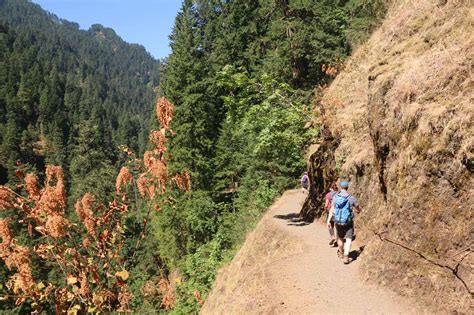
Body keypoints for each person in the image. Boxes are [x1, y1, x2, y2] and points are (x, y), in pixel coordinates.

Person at [327, 181, 361, 264]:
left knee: (340, 238)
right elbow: (358, 207)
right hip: (348, 222)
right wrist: (358, 211)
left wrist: (328, 219)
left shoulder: (335, 197)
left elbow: (332, 209)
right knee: (348, 239)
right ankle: (346, 256)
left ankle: (341, 252)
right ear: (347, 187)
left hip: (338, 222)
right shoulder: (351, 198)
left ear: (341, 187)